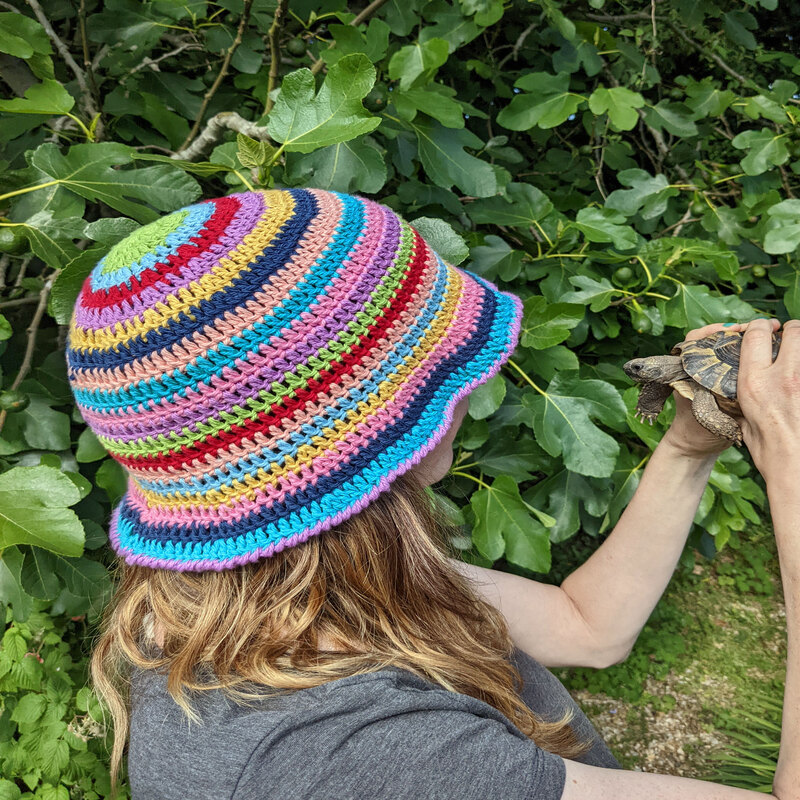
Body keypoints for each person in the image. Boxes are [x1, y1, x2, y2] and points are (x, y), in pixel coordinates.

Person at [66, 187, 799, 800]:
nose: (472, 383)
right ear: (356, 427)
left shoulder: (296, 593)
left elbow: (591, 626)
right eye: (435, 364)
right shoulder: (355, 756)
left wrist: (684, 447)